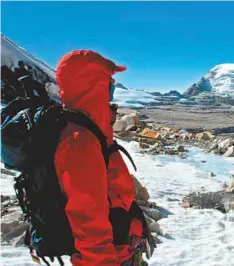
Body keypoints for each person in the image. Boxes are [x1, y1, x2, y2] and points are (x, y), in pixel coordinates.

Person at [54, 50, 145, 266]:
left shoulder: (92, 128)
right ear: (93, 83)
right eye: (108, 79)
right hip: (113, 256)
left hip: (121, 248)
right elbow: (88, 219)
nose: (113, 85)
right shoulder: (80, 140)